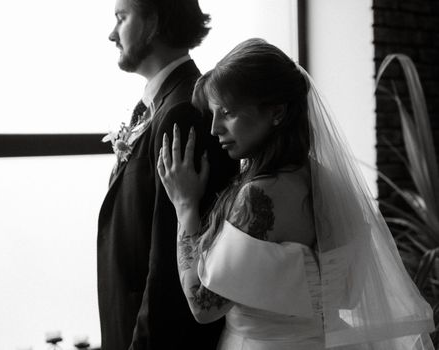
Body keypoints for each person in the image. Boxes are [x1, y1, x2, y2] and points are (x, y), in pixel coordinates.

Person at [157, 38, 435, 350]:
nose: (214, 128)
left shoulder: (260, 195)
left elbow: (203, 306)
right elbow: (351, 291)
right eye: (213, 114)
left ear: (276, 113)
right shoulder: (332, 184)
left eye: (228, 112)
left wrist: (184, 206)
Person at [97, 0, 238, 349]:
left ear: (153, 22)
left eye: (121, 17)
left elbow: (168, 264)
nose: (112, 34)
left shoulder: (183, 112)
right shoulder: (155, 105)